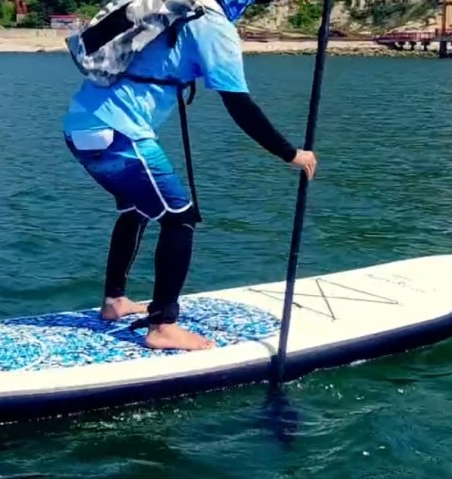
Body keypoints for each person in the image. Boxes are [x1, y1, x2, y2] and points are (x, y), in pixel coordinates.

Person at [62, 0, 318, 351]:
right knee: (180, 217)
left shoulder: (174, 11)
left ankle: (114, 302)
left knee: (138, 209)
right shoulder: (212, 26)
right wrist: (290, 153)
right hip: (118, 134)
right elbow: (239, 104)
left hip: (79, 126)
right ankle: (163, 326)